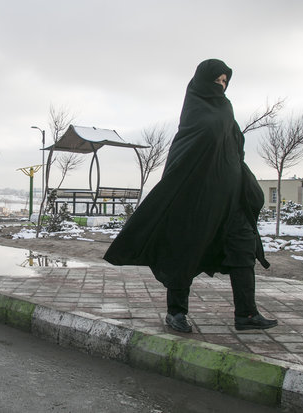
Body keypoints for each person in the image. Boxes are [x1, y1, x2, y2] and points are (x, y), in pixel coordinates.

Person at [103, 59, 277, 333]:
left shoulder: (226, 110)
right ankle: (176, 313)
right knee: (184, 252)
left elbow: (235, 148)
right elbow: (182, 158)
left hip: (232, 201)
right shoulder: (195, 115)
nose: (221, 86)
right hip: (198, 202)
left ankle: (247, 314)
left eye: (224, 82)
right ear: (201, 82)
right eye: (217, 81)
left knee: (244, 251)